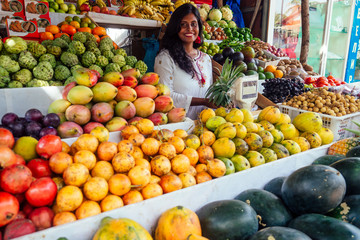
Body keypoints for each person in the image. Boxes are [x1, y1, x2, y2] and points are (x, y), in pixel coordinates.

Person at [154, 3, 216, 120]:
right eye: (183, 25)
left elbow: (210, 91)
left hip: (205, 128)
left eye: (194, 24)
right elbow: (166, 96)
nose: (189, 29)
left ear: (199, 27)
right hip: (177, 128)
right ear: (175, 28)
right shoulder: (165, 58)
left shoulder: (206, 59)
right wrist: (204, 102)